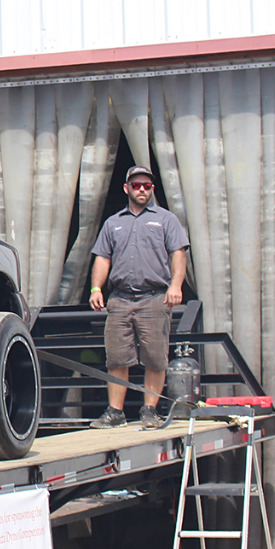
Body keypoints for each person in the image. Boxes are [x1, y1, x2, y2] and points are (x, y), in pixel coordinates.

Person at [88, 164, 189, 430]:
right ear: (126, 188)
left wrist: (176, 286)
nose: (142, 189)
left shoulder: (166, 219)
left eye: (147, 186)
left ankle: (149, 410)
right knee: (117, 357)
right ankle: (115, 412)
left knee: (155, 357)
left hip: (155, 297)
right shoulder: (113, 223)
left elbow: (178, 255)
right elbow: (102, 258)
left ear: (153, 189)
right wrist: (96, 288)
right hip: (120, 299)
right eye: (136, 185)